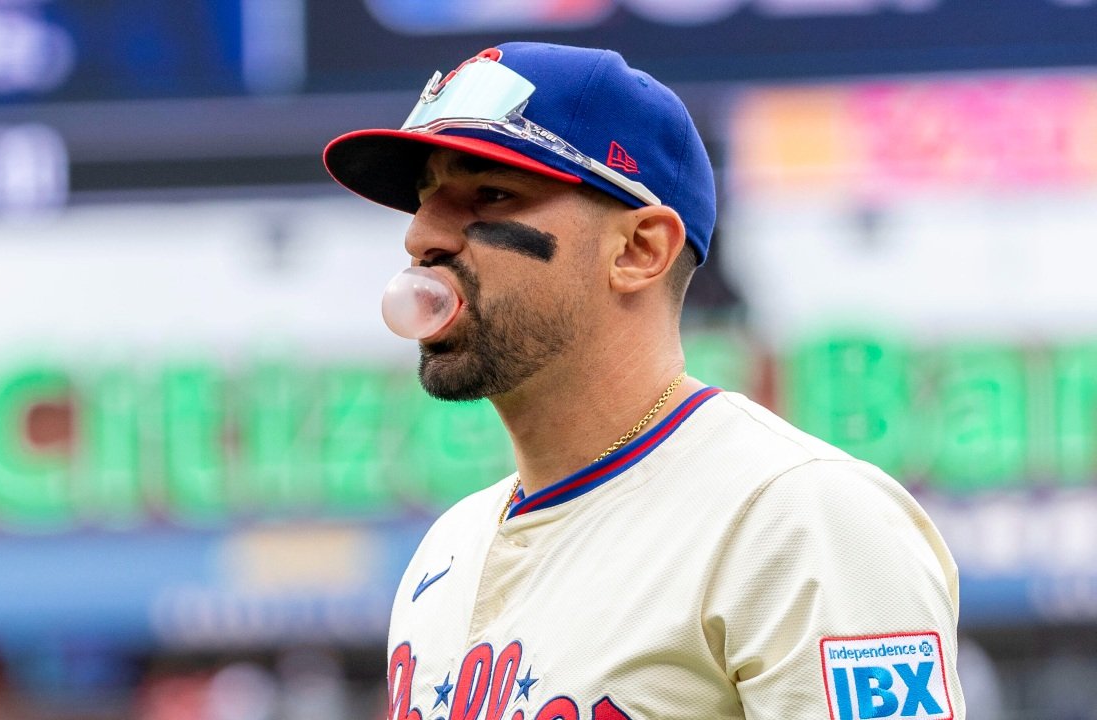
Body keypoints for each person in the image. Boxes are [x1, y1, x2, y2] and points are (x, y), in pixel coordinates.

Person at [323, 42, 964, 720]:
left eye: (491, 193)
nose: (421, 236)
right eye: (426, 199)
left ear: (639, 249)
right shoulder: (448, 545)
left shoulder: (800, 519)